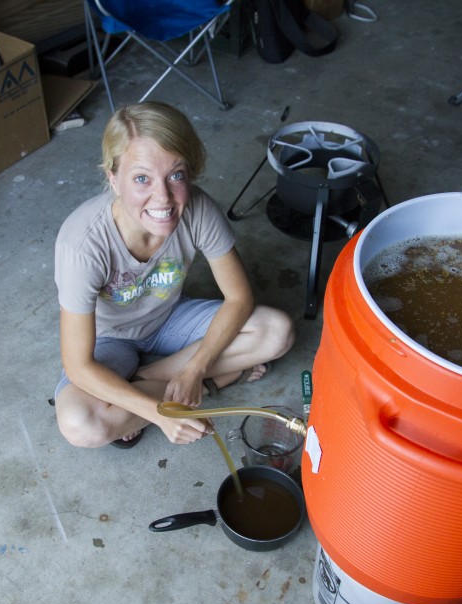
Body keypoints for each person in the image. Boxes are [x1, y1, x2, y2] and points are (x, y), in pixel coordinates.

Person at [53, 102, 295, 449]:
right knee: (81, 425)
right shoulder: (82, 243)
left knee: (277, 332)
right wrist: (158, 412)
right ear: (112, 177)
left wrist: (196, 367)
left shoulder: (198, 208)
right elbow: (77, 365)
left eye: (176, 175)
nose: (163, 197)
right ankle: (218, 381)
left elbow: (239, 298)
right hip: (111, 338)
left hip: (170, 319)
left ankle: (150, 378)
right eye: (141, 178)